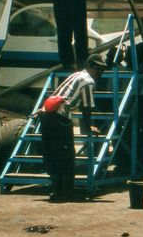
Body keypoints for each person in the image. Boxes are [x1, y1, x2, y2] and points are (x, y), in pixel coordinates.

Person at [37, 53, 107, 202]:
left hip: (45, 115)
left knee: (52, 156)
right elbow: (87, 108)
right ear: (91, 67)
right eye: (99, 69)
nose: (100, 73)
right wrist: (88, 128)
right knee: (67, 157)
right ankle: (66, 193)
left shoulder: (75, 75)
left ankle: (56, 191)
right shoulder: (88, 81)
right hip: (59, 119)